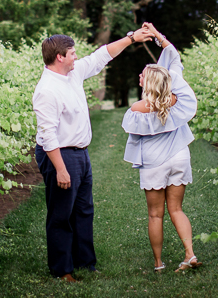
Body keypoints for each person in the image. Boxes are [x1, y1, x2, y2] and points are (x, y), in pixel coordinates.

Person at [33, 28, 152, 282]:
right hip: (59, 155)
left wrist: (131, 39)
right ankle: (62, 270)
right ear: (59, 57)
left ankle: (85, 263)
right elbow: (48, 135)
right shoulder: (47, 90)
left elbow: (101, 56)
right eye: (73, 53)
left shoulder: (71, 74)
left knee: (84, 210)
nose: (77, 57)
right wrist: (61, 169)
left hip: (80, 153)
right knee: (61, 214)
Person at [121, 22, 201, 272]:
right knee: (176, 208)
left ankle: (158, 263)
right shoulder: (178, 100)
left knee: (156, 214)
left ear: (149, 83)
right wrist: (158, 36)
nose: (140, 76)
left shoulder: (137, 109)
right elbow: (174, 57)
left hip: (154, 163)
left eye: (143, 74)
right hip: (179, 156)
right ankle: (189, 253)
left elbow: (132, 124)